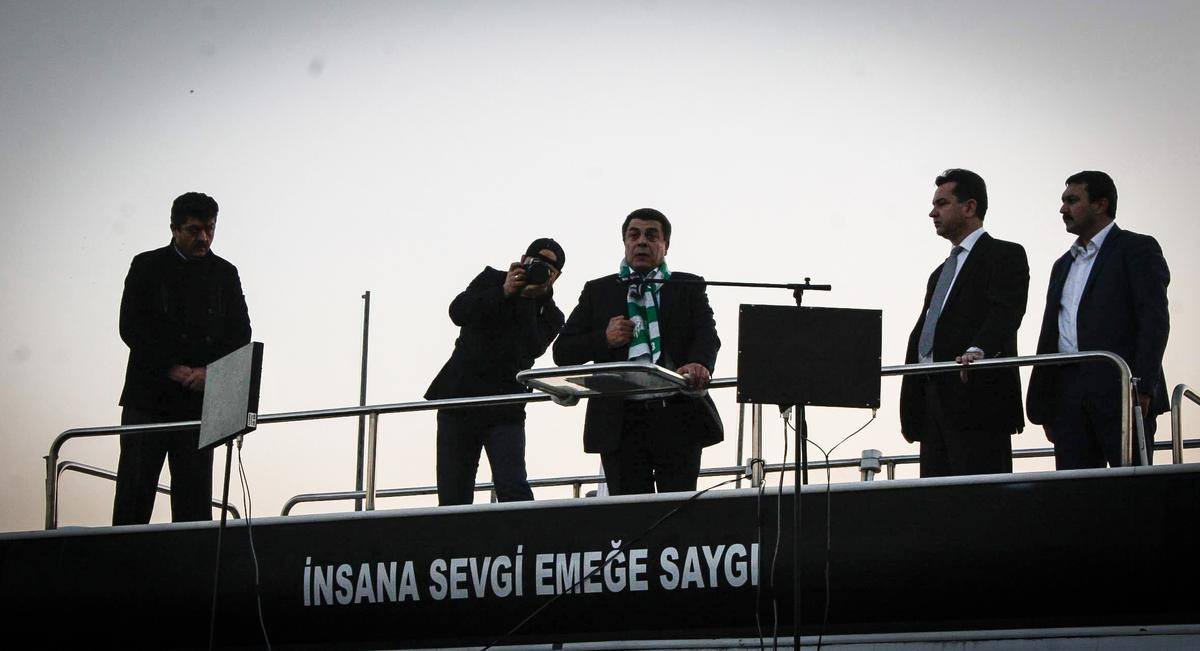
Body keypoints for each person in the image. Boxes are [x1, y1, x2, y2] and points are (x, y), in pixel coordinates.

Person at [553, 208, 722, 495]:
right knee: (630, 513)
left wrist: (699, 363)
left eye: (651, 235)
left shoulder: (688, 286)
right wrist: (604, 339)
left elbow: (707, 336)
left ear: (666, 244)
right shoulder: (599, 290)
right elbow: (563, 352)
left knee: (678, 509)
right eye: (634, 235)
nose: (642, 241)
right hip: (620, 421)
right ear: (625, 243)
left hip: (677, 415)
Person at [113, 192, 251, 525]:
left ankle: (195, 558)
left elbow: (240, 333)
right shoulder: (146, 266)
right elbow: (130, 327)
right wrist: (170, 369)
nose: (203, 237)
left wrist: (209, 373)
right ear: (175, 229)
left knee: (195, 503)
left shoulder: (225, 274)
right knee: (134, 493)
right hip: (148, 402)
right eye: (194, 230)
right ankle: (121, 556)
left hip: (197, 405)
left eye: (209, 228)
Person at [1027, 171, 1170, 468]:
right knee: (1076, 490)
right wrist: (1045, 403)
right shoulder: (1062, 265)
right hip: (1068, 395)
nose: (1063, 209)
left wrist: (1142, 386)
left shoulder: (1136, 248)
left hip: (1120, 388)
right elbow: (1052, 332)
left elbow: (1153, 319)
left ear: (1100, 204)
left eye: (1072, 200)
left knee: (1131, 486)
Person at [899, 169, 1029, 477]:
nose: (933, 213)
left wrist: (978, 349)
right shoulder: (940, 273)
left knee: (979, 496)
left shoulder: (1004, 255)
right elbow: (926, 331)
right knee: (936, 498)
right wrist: (912, 401)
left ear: (969, 207)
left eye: (942, 203)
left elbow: (1006, 311)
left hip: (977, 400)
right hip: (933, 404)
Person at [425, 238, 566, 505]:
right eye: (536, 262)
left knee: (513, 487)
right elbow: (458, 312)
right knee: (453, 493)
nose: (540, 269)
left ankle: (521, 534)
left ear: (556, 277)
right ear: (523, 260)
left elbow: (531, 348)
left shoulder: (551, 315)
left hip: (506, 407)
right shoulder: (491, 280)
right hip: (460, 399)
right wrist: (503, 291)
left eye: (548, 268)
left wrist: (526, 300)